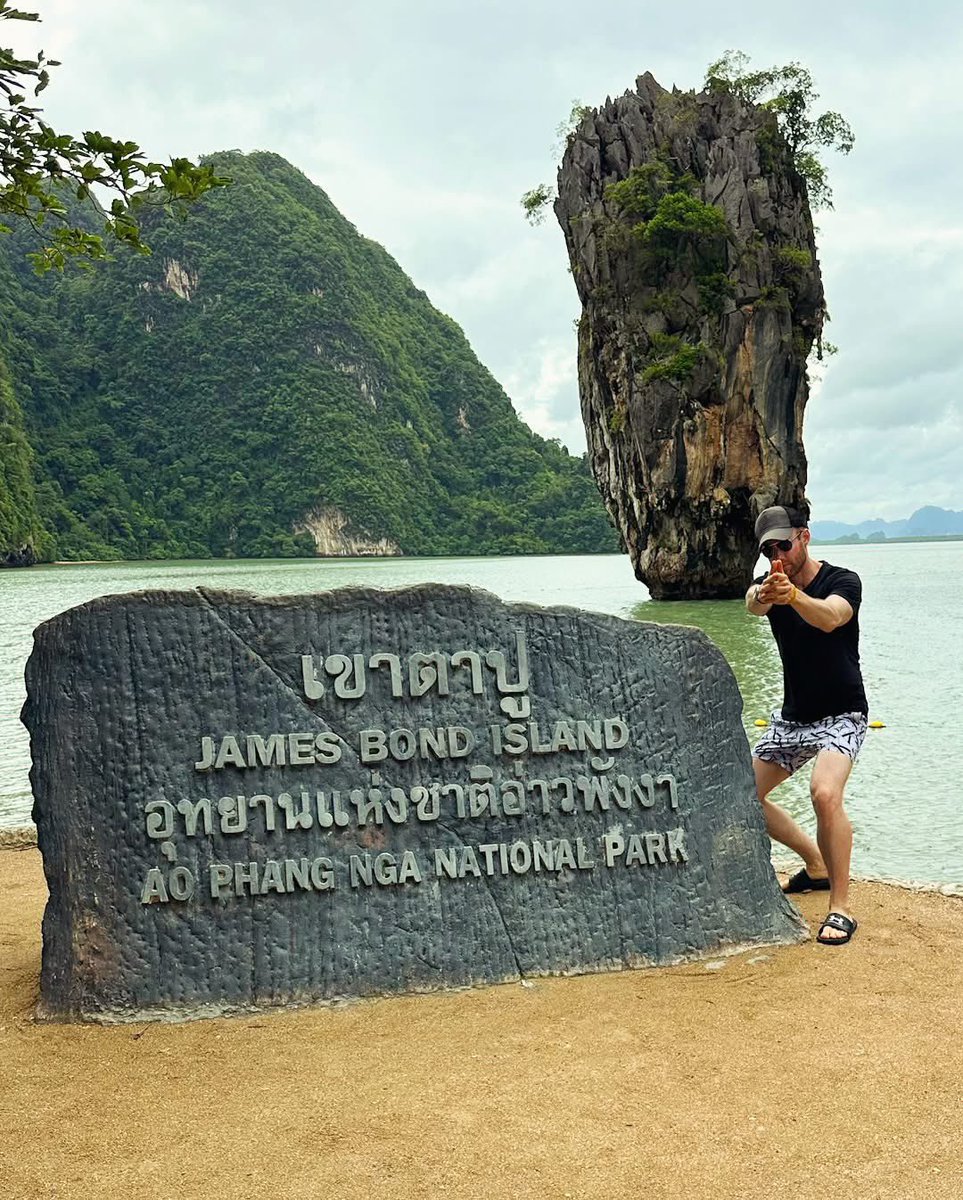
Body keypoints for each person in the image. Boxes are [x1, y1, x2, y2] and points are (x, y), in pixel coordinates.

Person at [745, 504, 868, 946]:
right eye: (768, 549)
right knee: (742, 794)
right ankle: (815, 863)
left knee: (824, 792)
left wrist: (793, 596)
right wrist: (764, 595)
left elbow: (832, 617)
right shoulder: (770, 586)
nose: (778, 553)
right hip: (794, 717)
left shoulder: (842, 580)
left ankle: (840, 908)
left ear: (805, 537)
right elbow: (750, 605)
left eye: (784, 543)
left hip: (843, 712)